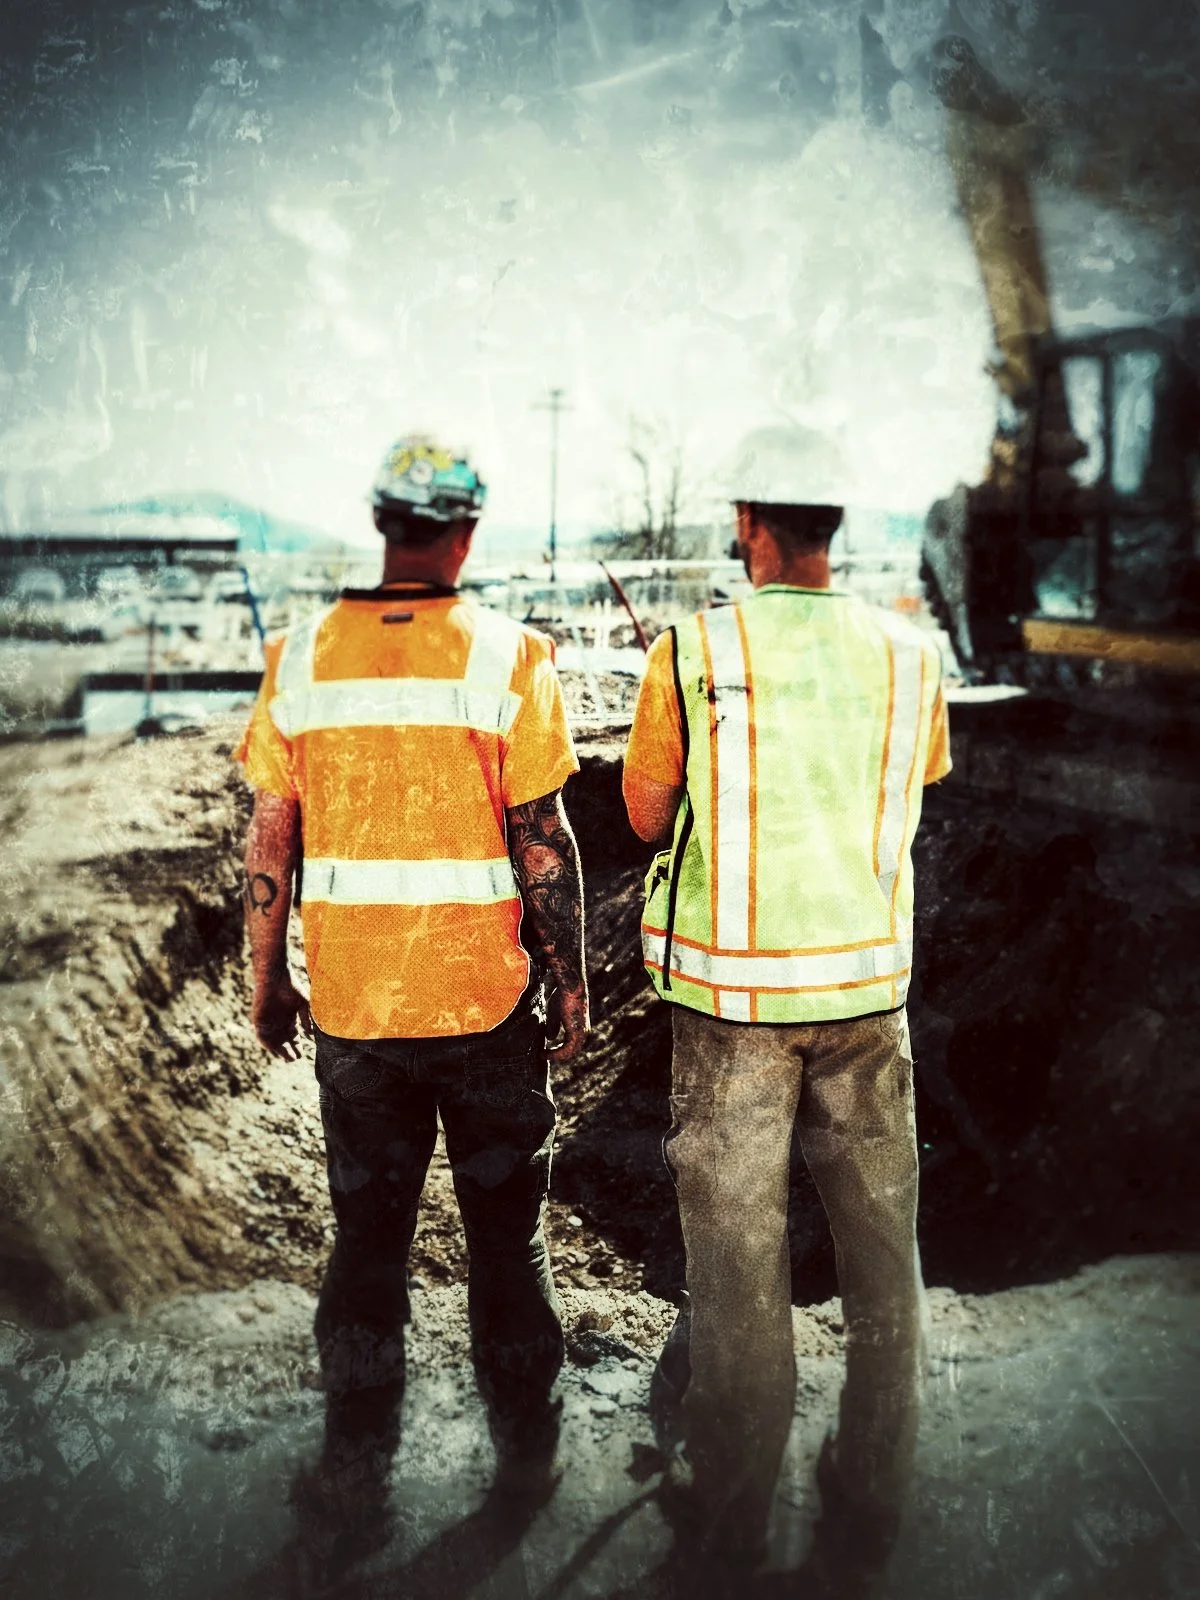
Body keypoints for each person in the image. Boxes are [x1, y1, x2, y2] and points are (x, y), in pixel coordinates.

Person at [234, 435, 589, 1553]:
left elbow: (270, 836)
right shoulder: (511, 655)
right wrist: (572, 982)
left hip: (355, 1020)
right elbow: (544, 841)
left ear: (382, 520)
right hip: (486, 1014)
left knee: (367, 1246)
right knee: (507, 1246)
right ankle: (527, 1457)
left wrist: (267, 981)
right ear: (466, 533)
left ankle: (355, 1474)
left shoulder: (298, 658)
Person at [622, 458, 950, 1570]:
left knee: (737, 1272)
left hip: (733, 1009)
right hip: (868, 995)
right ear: (834, 523)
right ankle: (873, 1492)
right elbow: (917, 779)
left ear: (752, 524)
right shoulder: (914, 659)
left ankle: (731, 1509)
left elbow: (642, 809)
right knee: (881, 1260)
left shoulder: (696, 652)